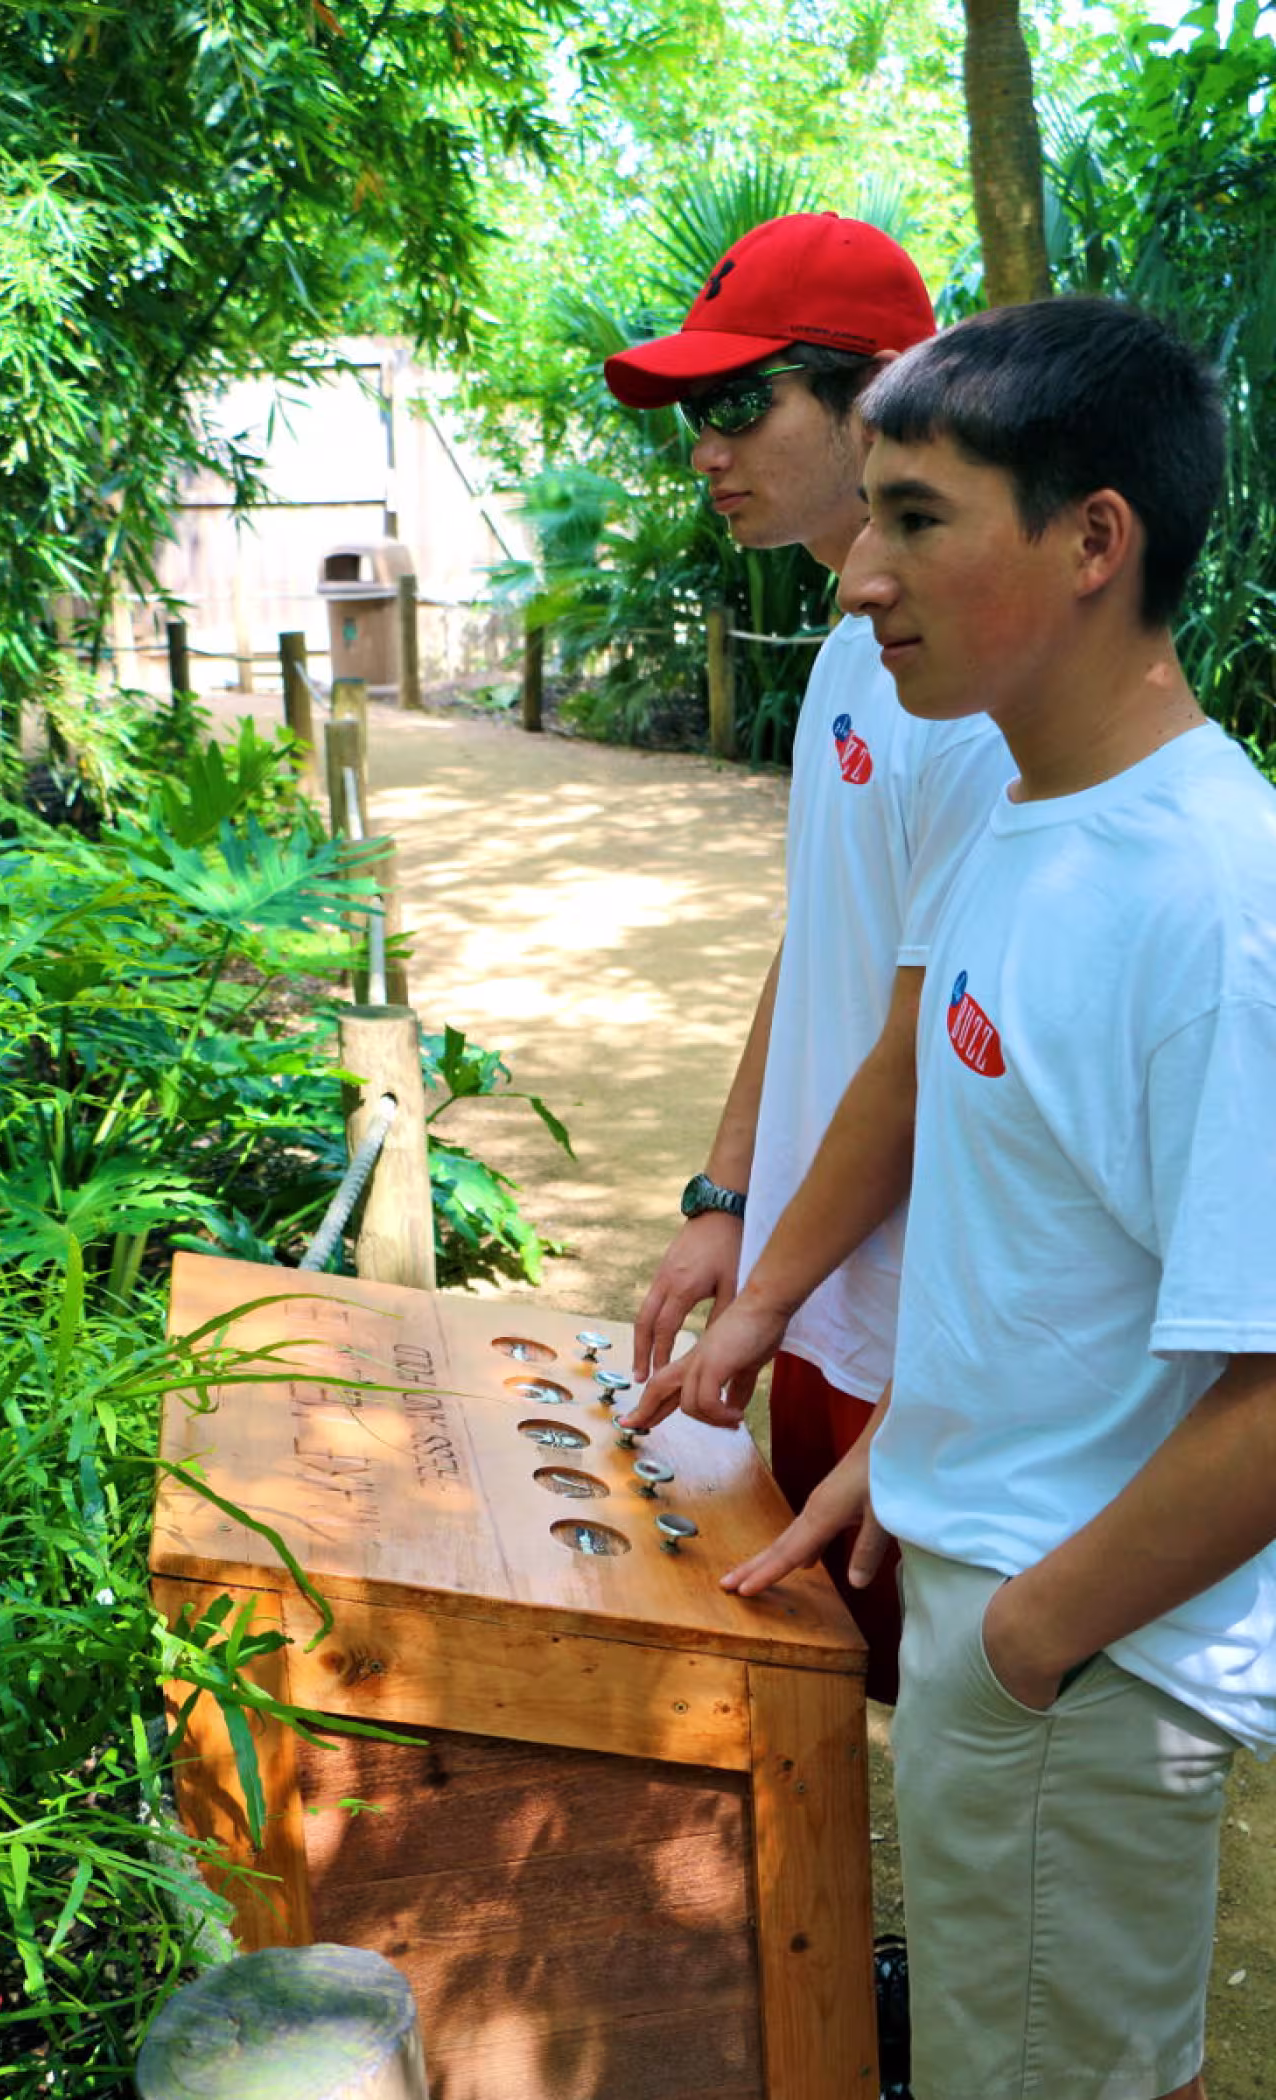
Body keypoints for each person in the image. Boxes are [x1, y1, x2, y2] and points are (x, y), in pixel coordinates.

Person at [725, 296, 1276, 2100]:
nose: (861, 574)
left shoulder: (1212, 902)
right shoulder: (1033, 818)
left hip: (1080, 1657)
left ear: (1095, 538)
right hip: (999, 1591)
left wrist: (1032, 1637)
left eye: (918, 517)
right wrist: (923, 1448)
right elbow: (1059, 1243)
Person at [605, 212, 1013, 1702]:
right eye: (692, 414)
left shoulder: (972, 678)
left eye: (738, 403)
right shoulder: (859, 634)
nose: (704, 449)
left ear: (888, 388)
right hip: (824, 1284)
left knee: (966, 1697)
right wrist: (729, 1198)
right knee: (844, 1676)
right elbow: (824, 931)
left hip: (931, 1319)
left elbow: (934, 1034)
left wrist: (773, 1280)